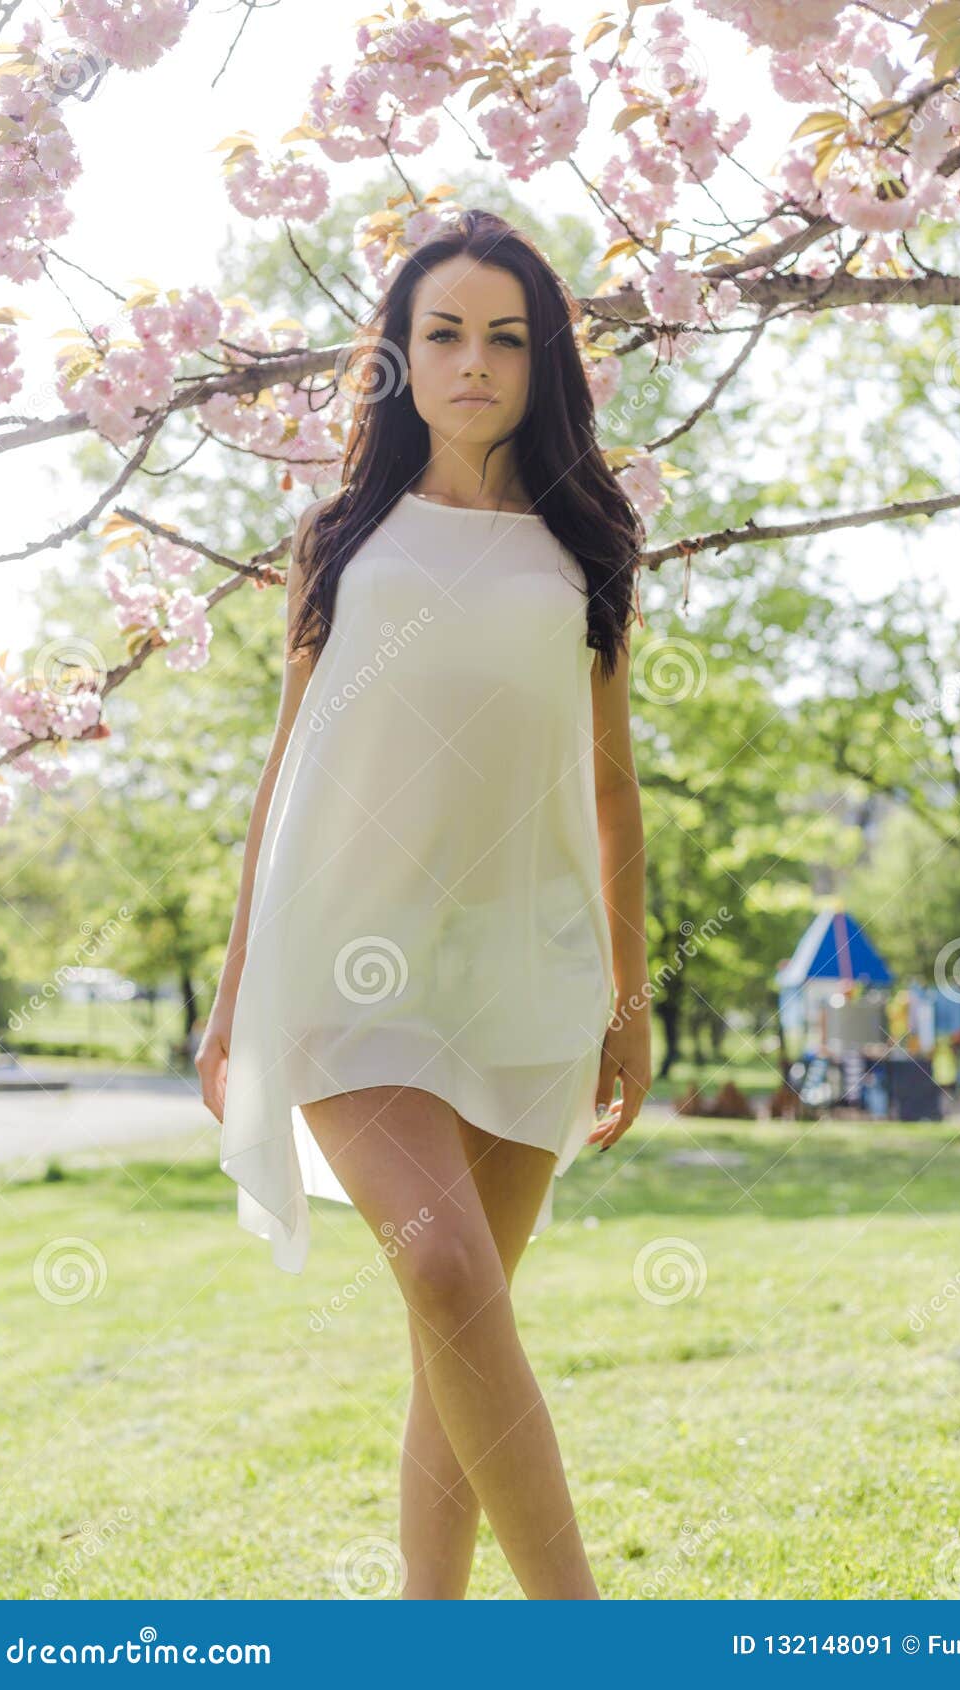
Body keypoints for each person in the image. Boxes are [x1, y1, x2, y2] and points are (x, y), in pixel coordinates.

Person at [195, 208, 652, 1601]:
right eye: (442, 334)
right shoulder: (340, 539)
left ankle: (422, 1632)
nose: (473, 363)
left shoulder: (587, 551)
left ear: (542, 362)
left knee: (460, 1326)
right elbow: (284, 774)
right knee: (447, 1271)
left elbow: (614, 793)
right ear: (396, 357)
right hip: (343, 969)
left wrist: (631, 1004)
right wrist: (232, 1002)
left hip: (527, 977)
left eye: (504, 339)